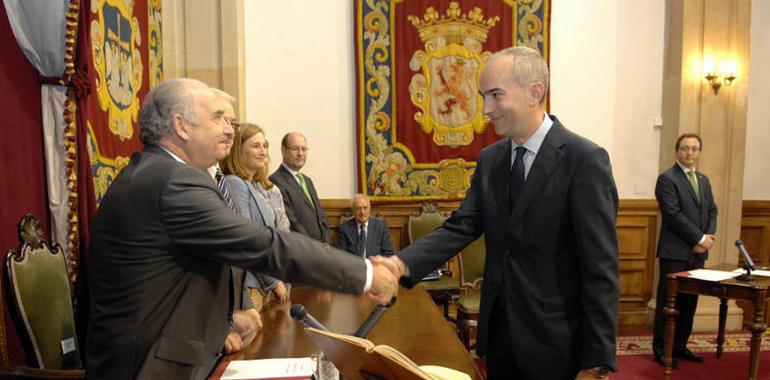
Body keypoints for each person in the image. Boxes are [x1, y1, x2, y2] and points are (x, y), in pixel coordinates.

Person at [86, 78, 398, 380]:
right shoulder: (173, 182)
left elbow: (182, 276)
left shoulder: (163, 173)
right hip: (147, 367)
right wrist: (365, 273)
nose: (228, 130)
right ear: (181, 126)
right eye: (217, 117)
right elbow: (261, 244)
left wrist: (227, 320)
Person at [373, 46, 619, 379]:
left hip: (558, 343)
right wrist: (401, 263)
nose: (486, 109)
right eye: (482, 96)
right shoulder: (491, 160)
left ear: (535, 92)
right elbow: (462, 226)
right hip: (500, 336)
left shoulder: (584, 160)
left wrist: (596, 362)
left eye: (495, 95)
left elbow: (600, 267)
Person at [652, 133, 717, 367]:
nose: (689, 153)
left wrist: (708, 237)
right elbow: (673, 214)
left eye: (694, 148)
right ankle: (661, 349)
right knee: (668, 304)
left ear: (699, 152)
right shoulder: (667, 179)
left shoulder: (703, 179)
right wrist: (698, 237)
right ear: (677, 151)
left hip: (698, 253)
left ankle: (680, 345)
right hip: (675, 252)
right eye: (685, 148)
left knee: (689, 303)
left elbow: (712, 210)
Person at [220, 121, 290, 310]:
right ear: (239, 151)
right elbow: (247, 239)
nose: (263, 151)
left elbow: (278, 230)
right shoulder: (235, 183)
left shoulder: (258, 186)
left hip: (268, 280)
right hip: (251, 284)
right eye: (256, 146)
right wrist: (274, 282)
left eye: (265, 146)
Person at [269, 132, 330, 243]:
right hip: (301, 249)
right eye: (295, 149)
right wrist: (312, 246)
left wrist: (325, 241)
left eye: (304, 149)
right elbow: (290, 221)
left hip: (320, 250)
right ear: (283, 150)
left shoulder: (307, 181)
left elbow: (320, 215)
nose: (300, 153)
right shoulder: (274, 181)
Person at [337, 193, 394, 258]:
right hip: (354, 266)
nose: (362, 212)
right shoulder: (345, 228)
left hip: (375, 266)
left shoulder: (381, 227)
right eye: (358, 208)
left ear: (369, 209)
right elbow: (341, 254)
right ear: (353, 211)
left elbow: (389, 253)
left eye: (365, 208)